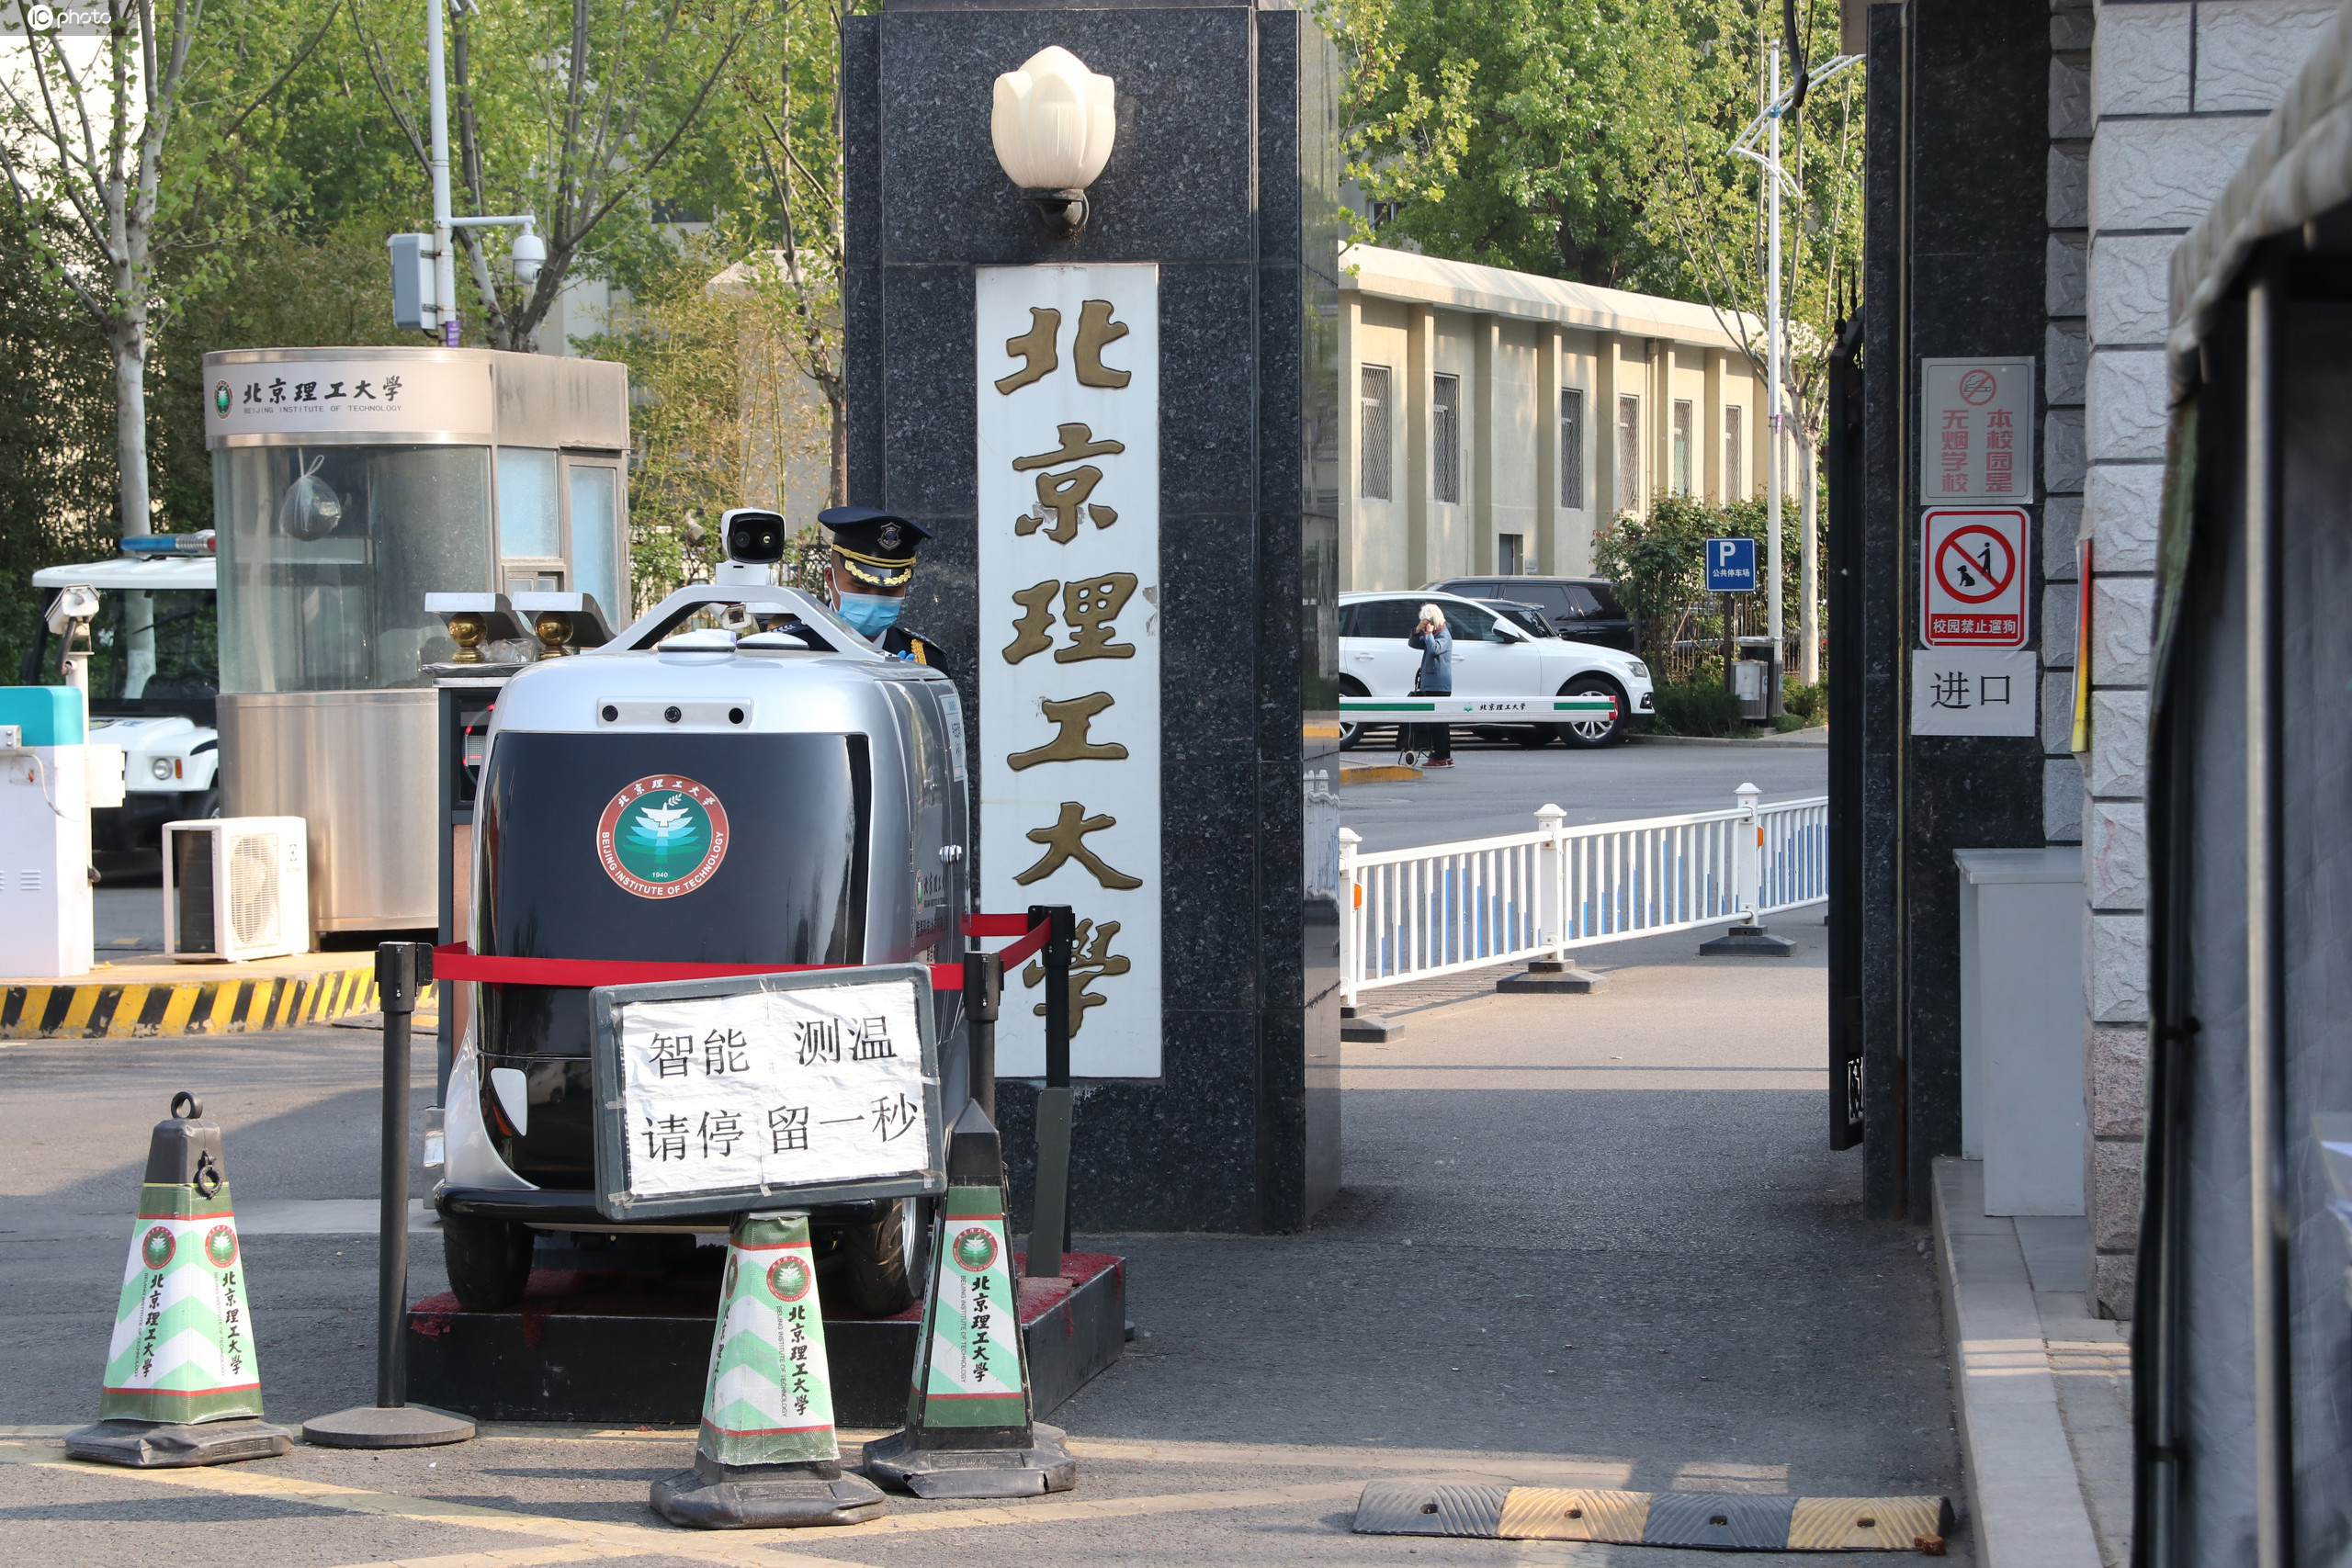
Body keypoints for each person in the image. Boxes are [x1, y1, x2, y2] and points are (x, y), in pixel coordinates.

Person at [814, 504, 946, 668]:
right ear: (830, 578)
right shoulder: (791, 648)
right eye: (861, 588)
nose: (875, 600)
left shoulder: (926, 659)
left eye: (889, 591)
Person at [1406, 603, 1453, 768]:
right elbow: (1413, 644)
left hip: (1439, 686)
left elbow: (1433, 650)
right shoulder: (1432, 635)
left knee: (1439, 724)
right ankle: (1442, 755)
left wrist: (1428, 633)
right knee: (1435, 723)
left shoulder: (1443, 636)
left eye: (1426, 621)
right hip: (1430, 684)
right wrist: (1418, 630)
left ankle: (1441, 757)